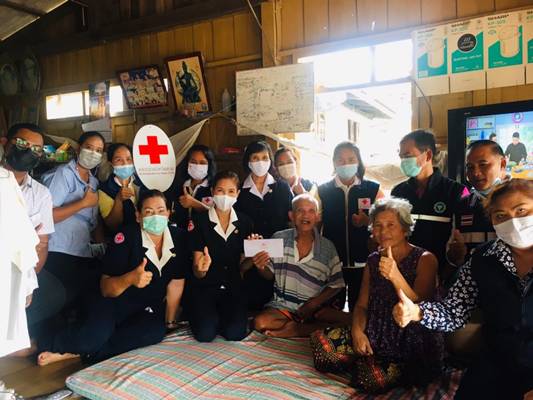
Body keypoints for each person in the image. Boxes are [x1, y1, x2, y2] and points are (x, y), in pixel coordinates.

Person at [393, 179, 533, 400]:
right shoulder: (482, 259)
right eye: (500, 216)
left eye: (521, 210)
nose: (513, 222)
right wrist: (417, 312)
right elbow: (454, 312)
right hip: (498, 361)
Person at [36, 190, 188, 365]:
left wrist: (170, 321)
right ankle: (42, 343)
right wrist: (130, 278)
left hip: (144, 307)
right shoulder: (125, 237)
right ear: (138, 216)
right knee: (92, 337)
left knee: (154, 333)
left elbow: (176, 283)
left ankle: (81, 353)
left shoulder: (179, 238)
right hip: (111, 301)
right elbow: (106, 289)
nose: (156, 217)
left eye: (161, 211)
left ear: (169, 213)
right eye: (149, 212)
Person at [311, 197, 443, 387]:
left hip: (410, 340)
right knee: (321, 346)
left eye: (391, 225)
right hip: (376, 331)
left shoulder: (425, 259)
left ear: (405, 229)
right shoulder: (373, 260)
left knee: (369, 379)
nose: (383, 231)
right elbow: (362, 305)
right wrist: (357, 332)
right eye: (378, 225)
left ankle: (375, 365)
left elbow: (420, 305)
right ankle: (367, 359)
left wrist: (395, 275)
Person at [253, 194, 348, 338]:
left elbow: (337, 284)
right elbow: (269, 274)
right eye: (300, 210)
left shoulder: (328, 247)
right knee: (260, 323)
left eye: (311, 211)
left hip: (316, 309)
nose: (306, 215)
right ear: (291, 215)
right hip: (284, 307)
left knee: (350, 320)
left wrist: (313, 304)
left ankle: (297, 329)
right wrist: (261, 266)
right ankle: (302, 329)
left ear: (318, 216)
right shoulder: (279, 238)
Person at [38, 131, 105, 334]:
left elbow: (94, 222)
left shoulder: (93, 182)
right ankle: (43, 342)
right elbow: (47, 216)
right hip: (59, 248)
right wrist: (83, 203)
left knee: (74, 303)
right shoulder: (63, 174)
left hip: (81, 250)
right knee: (56, 301)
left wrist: (101, 246)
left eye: (99, 150)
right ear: (78, 149)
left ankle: (64, 345)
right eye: (89, 148)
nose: (93, 154)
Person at [187, 171, 255, 342]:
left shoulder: (245, 223)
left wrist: (253, 257)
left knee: (235, 333)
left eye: (231, 191)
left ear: (238, 193)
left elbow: (242, 268)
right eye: (220, 190)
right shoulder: (199, 221)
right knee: (205, 334)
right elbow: (197, 271)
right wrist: (201, 269)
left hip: (233, 287)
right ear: (212, 191)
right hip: (205, 287)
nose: (225, 196)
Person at [391, 130, 467, 282]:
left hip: (443, 274)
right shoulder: (398, 191)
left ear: (428, 155)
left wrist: (447, 272)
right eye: (401, 157)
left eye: (407, 156)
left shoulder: (456, 191)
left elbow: (460, 240)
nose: (403, 161)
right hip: (403, 274)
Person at [318, 141, 385, 310]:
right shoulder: (322, 191)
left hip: (364, 263)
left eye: (351, 159)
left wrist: (367, 221)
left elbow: (385, 224)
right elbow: (315, 224)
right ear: (334, 162)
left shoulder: (373, 189)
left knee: (361, 308)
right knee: (331, 311)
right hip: (333, 263)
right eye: (340, 160)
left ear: (358, 161)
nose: (345, 163)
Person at [235, 140, 292, 309]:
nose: (260, 162)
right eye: (255, 158)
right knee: (254, 303)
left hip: (280, 256)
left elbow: (290, 220)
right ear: (248, 161)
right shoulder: (239, 191)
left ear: (270, 160)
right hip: (250, 258)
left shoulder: (282, 187)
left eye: (264, 158)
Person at [448, 140, 507, 267]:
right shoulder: (462, 205)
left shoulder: (521, 202)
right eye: (470, 167)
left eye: (483, 165)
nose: (476, 173)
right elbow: (454, 260)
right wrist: (456, 256)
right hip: (471, 277)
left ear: (502, 164)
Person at [98, 143, 141, 232]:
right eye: (119, 160)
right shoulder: (104, 190)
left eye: (128, 159)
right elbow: (113, 225)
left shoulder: (142, 183)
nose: (125, 163)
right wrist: (118, 200)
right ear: (111, 164)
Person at [171, 144, 215, 230]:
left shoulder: (215, 187)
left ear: (209, 165)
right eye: (193, 162)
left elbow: (219, 216)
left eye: (202, 163)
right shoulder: (179, 186)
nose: (197, 166)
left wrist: (195, 204)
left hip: (205, 234)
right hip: (182, 234)